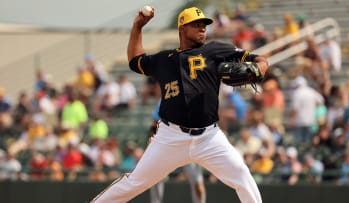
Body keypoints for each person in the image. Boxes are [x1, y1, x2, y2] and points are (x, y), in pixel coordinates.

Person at [91, 6, 268, 203]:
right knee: (134, 183)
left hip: (209, 138)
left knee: (242, 175)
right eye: (196, 25)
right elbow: (135, 61)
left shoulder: (216, 49)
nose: (202, 28)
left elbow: (259, 59)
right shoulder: (165, 59)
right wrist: (137, 27)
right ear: (182, 28)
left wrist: (259, 68)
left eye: (204, 25)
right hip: (170, 137)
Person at [149, 100, 206, 203]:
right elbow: (154, 125)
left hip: (188, 146)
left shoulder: (193, 99)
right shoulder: (165, 99)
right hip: (168, 146)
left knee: (197, 183)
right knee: (155, 177)